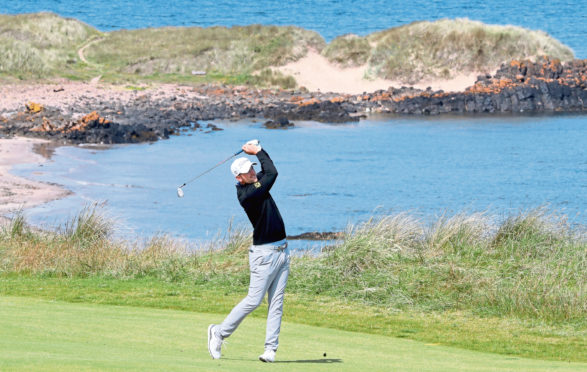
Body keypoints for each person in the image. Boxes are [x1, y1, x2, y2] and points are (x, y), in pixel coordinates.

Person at [207, 139, 289, 363]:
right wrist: (259, 150)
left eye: (251, 167)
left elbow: (266, 170)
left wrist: (255, 151)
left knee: (276, 303)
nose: (252, 173)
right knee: (254, 300)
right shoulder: (248, 195)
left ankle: (270, 350)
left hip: (282, 251)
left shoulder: (255, 182)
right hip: (264, 255)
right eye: (246, 171)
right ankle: (219, 333)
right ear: (238, 178)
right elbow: (272, 173)